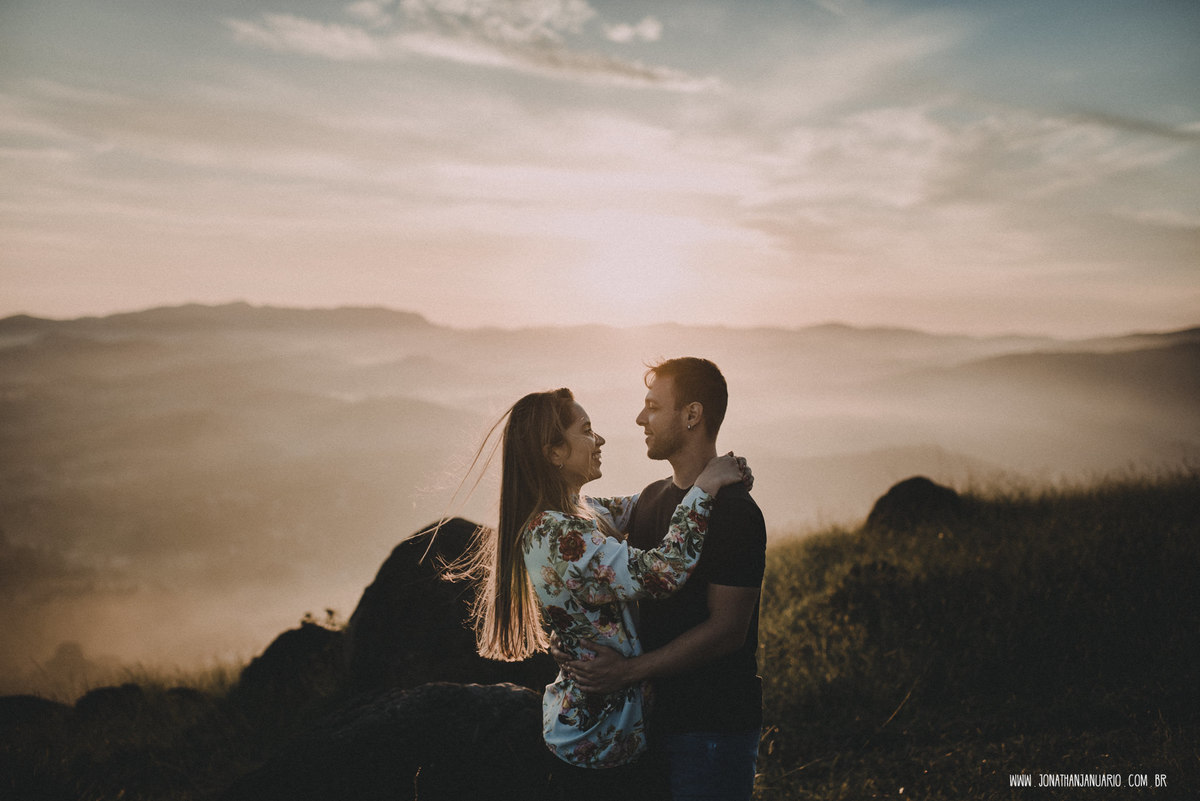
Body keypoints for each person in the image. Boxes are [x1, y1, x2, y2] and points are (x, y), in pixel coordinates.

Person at [450, 387, 748, 793]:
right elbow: (663, 572)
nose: (600, 439)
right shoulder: (556, 534)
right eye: (587, 431)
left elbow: (645, 506)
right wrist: (706, 487)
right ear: (554, 453)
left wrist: (705, 479)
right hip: (596, 748)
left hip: (612, 738)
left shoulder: (579, 511)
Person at [561, 358, 767, 801]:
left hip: (712, 728)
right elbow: (570, 528)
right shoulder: (651, 500)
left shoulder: (736, 513)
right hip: (650, 723)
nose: (639, 419)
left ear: (692, 415)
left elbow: (727, 632)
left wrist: (627, 672)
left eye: (653, 407)